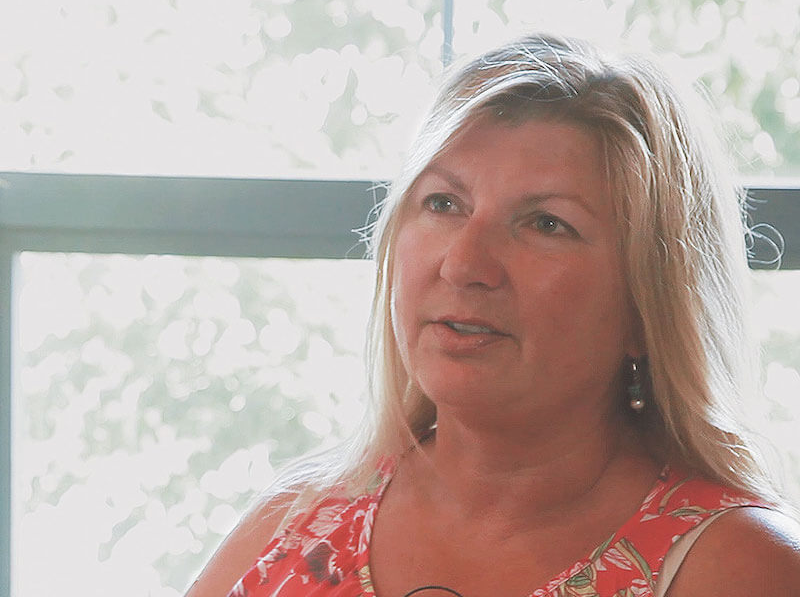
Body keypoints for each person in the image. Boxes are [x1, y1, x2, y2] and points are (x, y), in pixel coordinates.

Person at [187, 33, 800, 597]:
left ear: (649, 305)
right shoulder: (294, 522)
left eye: (546, 224)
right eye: (443, 203)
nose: (464, 264)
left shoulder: (739, 566)